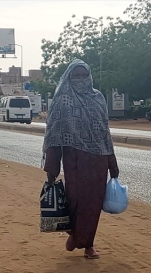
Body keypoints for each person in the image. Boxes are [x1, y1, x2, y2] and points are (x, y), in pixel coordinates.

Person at [42, 59, 120, 259]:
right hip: (74, 159)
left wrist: (112, 164)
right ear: (69, 77)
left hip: (98, 159)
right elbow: (55, 135)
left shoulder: (98, 98)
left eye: (83, 76)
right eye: (75, 76)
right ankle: (75, 234)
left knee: (93, 204)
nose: (79, 79)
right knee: (75, 200)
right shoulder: (63, 100)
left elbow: (105, 132)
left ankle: (88, 244)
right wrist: (52, 169)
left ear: (89, 77)